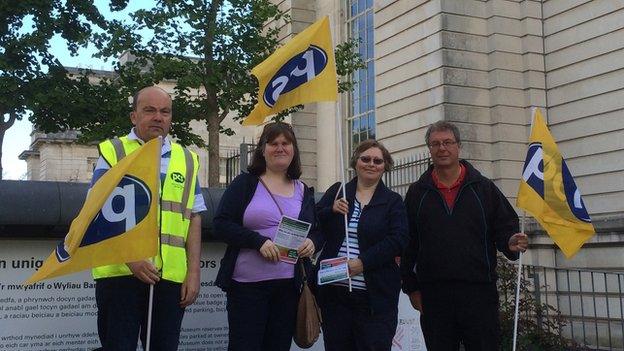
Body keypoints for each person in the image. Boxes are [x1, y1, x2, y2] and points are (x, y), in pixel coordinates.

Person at [91, 86, 205, 350]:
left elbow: (195, 217)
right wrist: (131, 259)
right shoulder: (114, 152)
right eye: (149, 110)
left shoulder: (187, 159)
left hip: (169, 278)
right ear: (134, 116)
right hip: (121, 274)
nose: (158, 117)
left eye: (165, 112)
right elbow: (96, 213)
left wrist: (194, 273)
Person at [400, 121, 529, 350]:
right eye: (436, 144)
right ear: (429, 149)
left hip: (479, 292)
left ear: (459, 146)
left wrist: (510, 242)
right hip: (433, 294)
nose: (442, 148)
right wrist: (411, 287)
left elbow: (505, 226)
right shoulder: (417, 192)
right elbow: (408, 243)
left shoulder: (484, 188)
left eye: (448, 142)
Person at [213, 122, 321, 351]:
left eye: (285, 143)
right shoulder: (245, 183)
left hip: (287, 289)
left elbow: (317, 230)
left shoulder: (303, 190)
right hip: (247, 289)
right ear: (263, 149)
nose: (280, 148)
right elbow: (221, 224)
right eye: (273, 143)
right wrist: (258, 242)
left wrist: (312, 242)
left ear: (293, 150)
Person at [315, 139, 409, 351]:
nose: (371, 164)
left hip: (374, 299)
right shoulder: (339, 191)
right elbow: (315, 221)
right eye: (365, 159)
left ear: (385, 165)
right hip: (335, 294)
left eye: (378, 160)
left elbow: (399, 239)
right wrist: (331, 209)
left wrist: (363, 263)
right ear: (355, 162)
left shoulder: (393, 201)